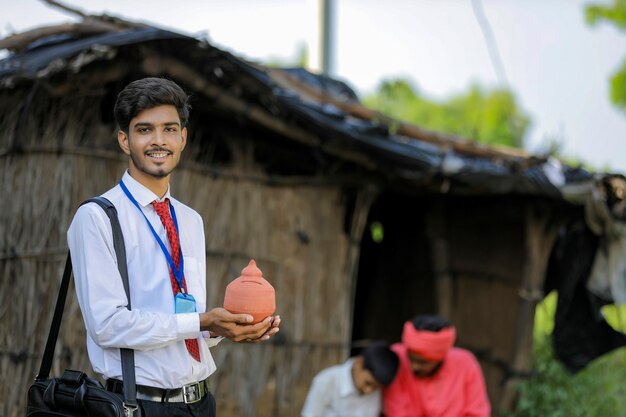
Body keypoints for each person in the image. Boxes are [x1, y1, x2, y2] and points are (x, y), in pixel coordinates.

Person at [67, 77, 280, 417]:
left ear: (183, 138)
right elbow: (107, 326)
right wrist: (201, 320)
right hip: (138, 406)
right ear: (125, 140)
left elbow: (186, 320)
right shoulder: (97, 218)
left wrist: (223, 327)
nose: (158, 141)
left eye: (169, 129)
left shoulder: (190, 219)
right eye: (144, 130)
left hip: (201, 403)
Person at [383, 315, 490, 417]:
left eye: (422, 362)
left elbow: (477, 412)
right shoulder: (397, 358)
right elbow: (396, 410)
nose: (413, 366)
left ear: (440, 358)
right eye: (410, 358)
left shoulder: (465, 363)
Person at [301, 341, 399, 417]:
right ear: (358, 363)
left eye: (375, 388)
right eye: (368, 383)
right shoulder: (326, 381)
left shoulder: (376, 392)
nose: (369, 390)